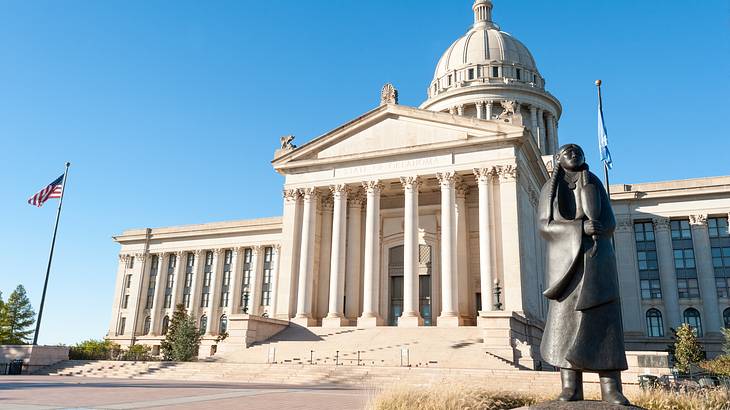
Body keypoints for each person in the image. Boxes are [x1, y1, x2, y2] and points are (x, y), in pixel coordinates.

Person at [538, 143, 629, 405]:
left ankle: (611, 388)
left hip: (597, 259)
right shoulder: (550, 189)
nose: (574, 155)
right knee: (565, 326)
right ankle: (570, 387)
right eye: (568, 152)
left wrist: (598, 229)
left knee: (604, 323)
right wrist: (580, 229)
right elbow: (545, 227)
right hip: (567, 267)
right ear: (557, 158)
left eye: (578, 152)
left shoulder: (595, 184)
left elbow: (610, 220)